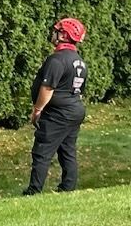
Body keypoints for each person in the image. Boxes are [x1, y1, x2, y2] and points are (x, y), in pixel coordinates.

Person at [24, 17, 88, 195]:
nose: (54, 34)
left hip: (58, 113)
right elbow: (79, 89)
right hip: (74, 110)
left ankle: (34, 191)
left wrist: (37, 110)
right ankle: (68, 188)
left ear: (64, 36)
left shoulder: (57, 60)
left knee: (42, 150)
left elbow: (48, 88)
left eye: (58, 31)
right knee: (67, 150)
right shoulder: (79, 61)